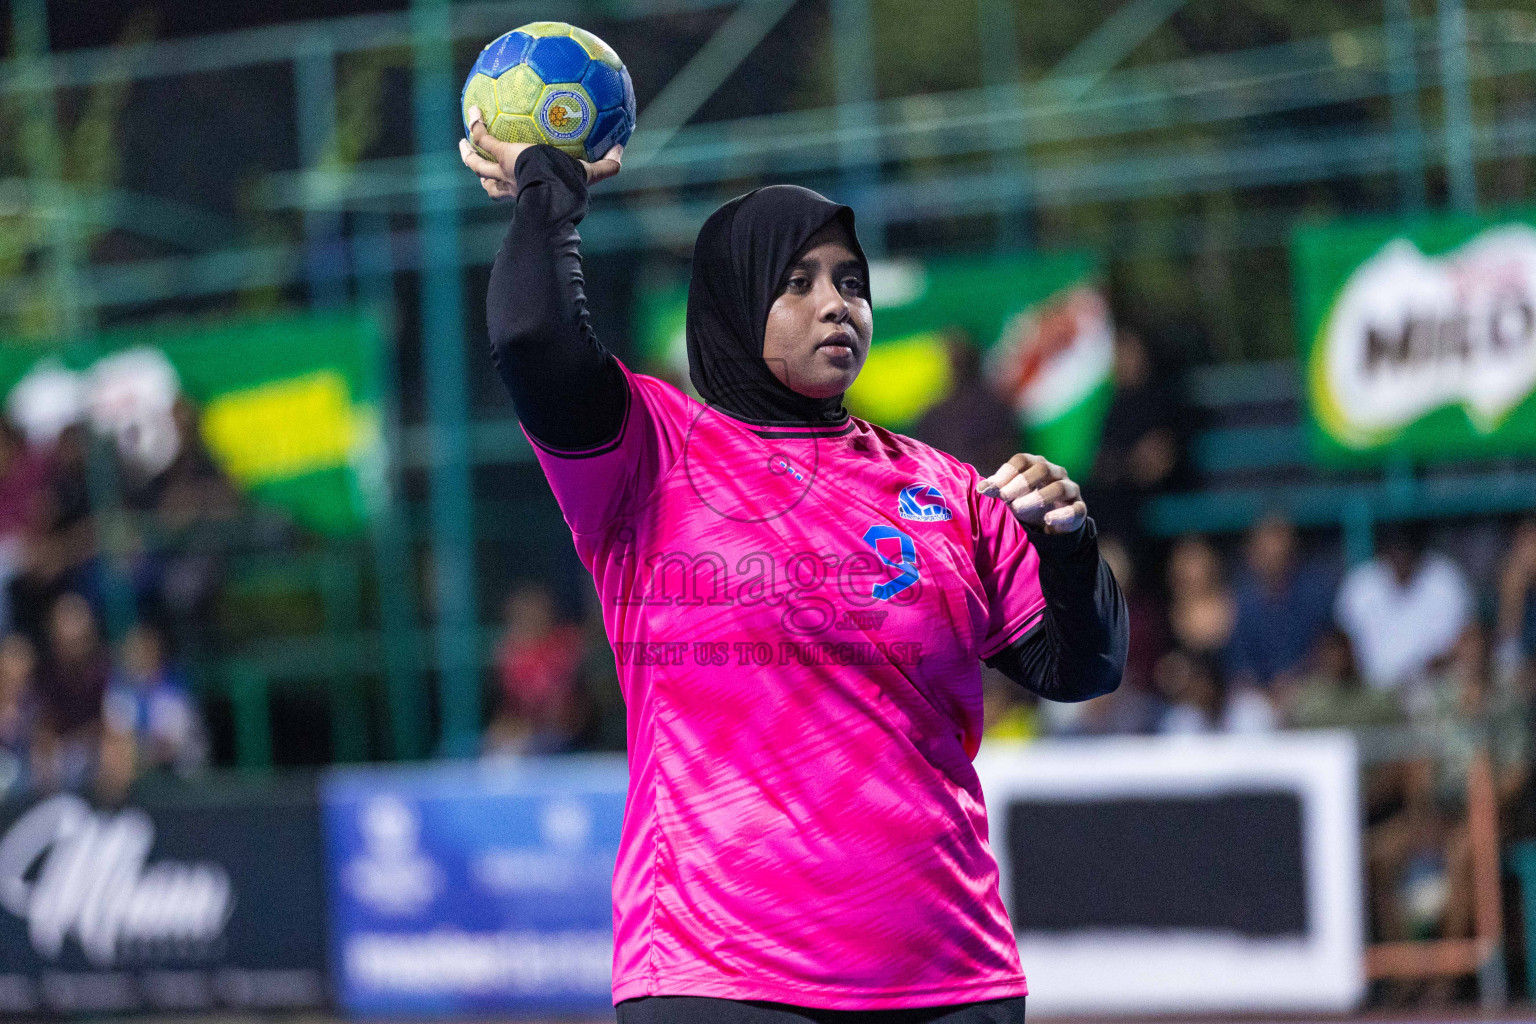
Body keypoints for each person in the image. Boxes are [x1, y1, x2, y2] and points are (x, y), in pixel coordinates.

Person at [461, 111, 1127, 1022]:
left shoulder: (944, 488)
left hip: (950, 980)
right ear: (734, 301)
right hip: (719, 978)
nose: (837, 304)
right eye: (799, 282)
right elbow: (536, 338)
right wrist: (552, 194)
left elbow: (1080, 667)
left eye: (851, 282)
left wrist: (1069, 551)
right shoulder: (649, 453)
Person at [1335, 524, 1470, 709]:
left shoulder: (1444, 580)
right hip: (1368, 689)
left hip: (1431, 686)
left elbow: (1465, 642)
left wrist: (1428, 669)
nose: (1401, 558)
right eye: (1395, 551)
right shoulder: (1362, 583)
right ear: (1384, 554)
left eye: (1406, 551)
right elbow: (1341, 644)